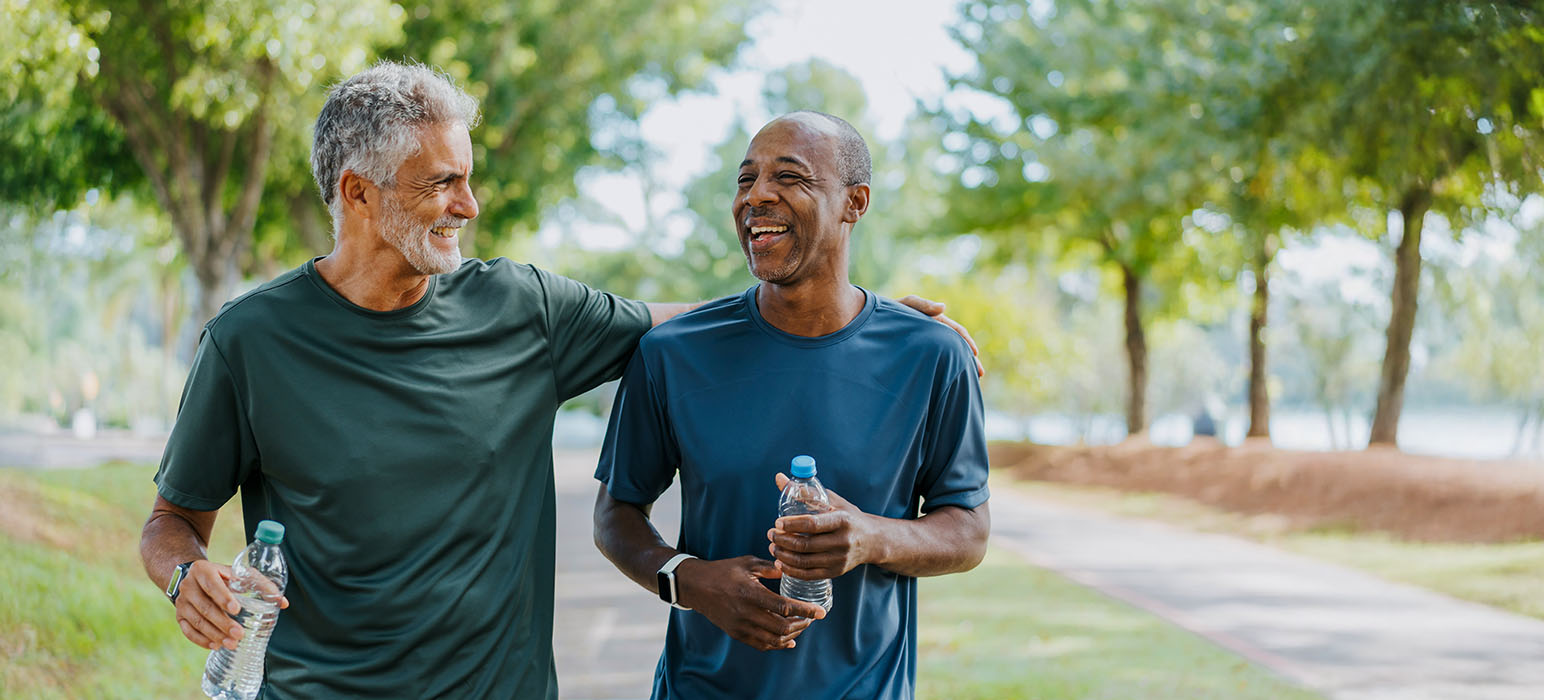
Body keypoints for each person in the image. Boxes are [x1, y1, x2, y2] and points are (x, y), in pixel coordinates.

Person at [138, 63, 975, 699]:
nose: (470, 205)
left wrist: (868, 316)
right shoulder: (249, 341)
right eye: (443, 183)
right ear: (358, 194)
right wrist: (186, 576)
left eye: (468, 178)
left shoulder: (521, 309)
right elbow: (172, 522)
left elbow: (697, 321)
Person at [593, 111, 991, 700]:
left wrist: (870, 537)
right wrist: (690, 580)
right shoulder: (671, 353)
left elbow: (968, 531)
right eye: (745, 179)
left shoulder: (931, 355)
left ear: (855, 203)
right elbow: (615, 515)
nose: (756, 196)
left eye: (789, 176)